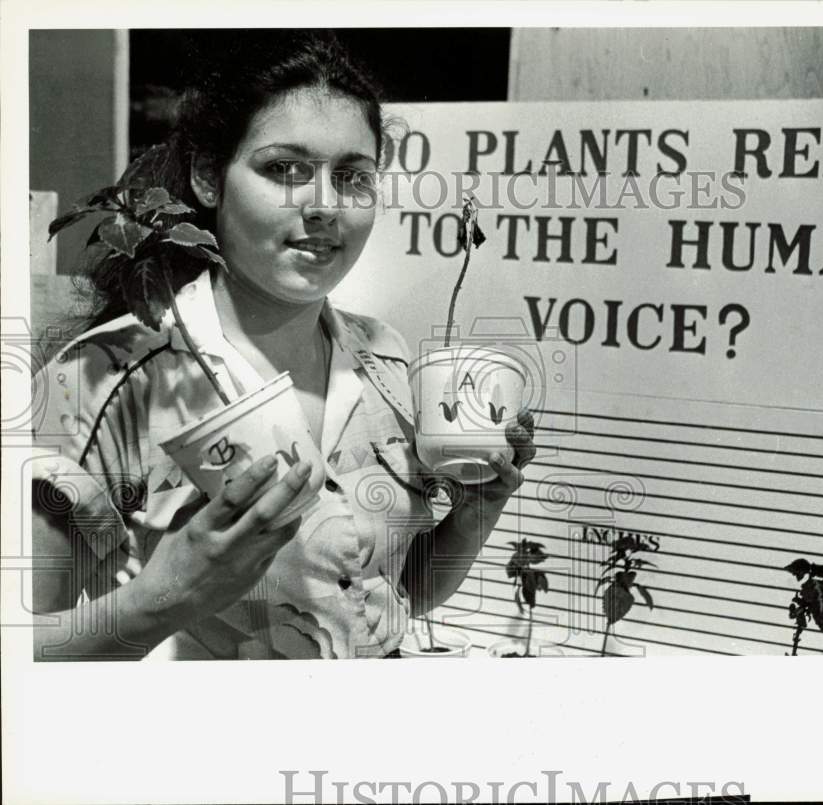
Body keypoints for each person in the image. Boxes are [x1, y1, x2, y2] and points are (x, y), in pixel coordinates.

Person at [30, 31, 536, 660]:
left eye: (352, 177)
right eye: (284, 169)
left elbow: (390, 597)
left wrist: (473, 515)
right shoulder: (100, 379)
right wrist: (163, 598)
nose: (324, 205)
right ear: (210, 177)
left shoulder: (384, 361)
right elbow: (18, 667)